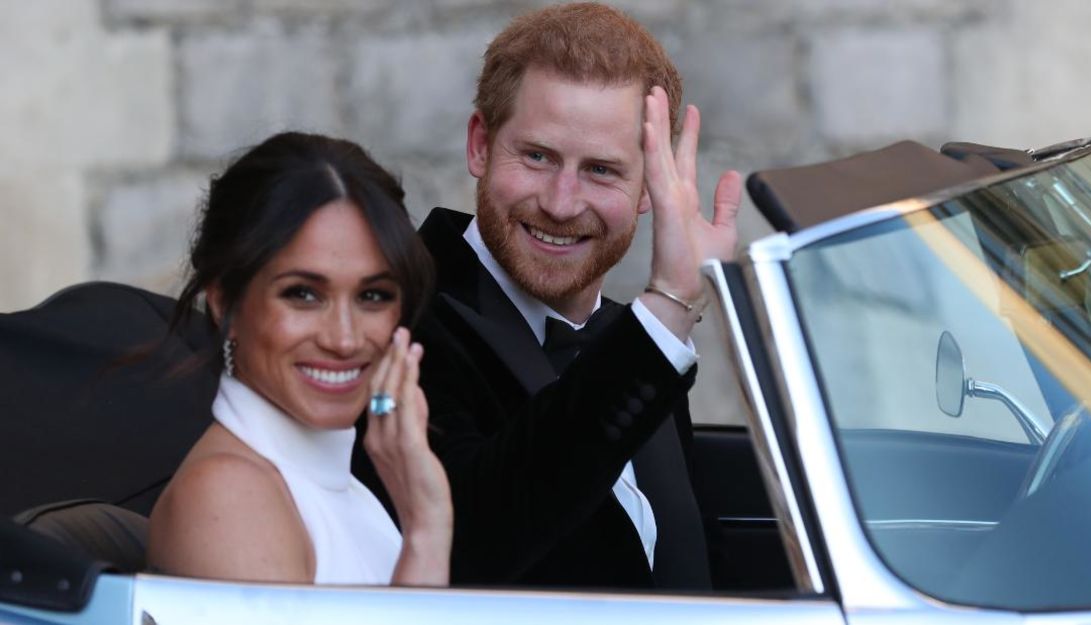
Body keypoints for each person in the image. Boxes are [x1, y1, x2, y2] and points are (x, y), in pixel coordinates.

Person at [353, 4, 741, 589]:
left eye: (602, 170)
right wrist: (667, 310)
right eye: (537, 156)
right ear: (480, 145)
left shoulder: (631, 339)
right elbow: (467, 544)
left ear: (647, 189)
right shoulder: (396, 316)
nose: (561, 202)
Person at [148, 132, 452, 586]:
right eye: (304, 294)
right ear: (224, 302)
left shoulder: (341, 487)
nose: (345, 339)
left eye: (373, 295)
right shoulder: (228, 497)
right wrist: (427, 533)